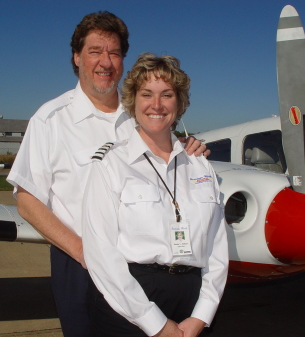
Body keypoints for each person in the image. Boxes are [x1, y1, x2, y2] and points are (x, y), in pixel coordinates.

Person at [6, 11, 207, 337]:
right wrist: (88, 253)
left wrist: (190, 147)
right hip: (80, 264)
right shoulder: (51, 119)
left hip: (146, 266)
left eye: (114, 53)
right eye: (95, 51)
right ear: (76, 57)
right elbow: (28, 201)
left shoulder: (141, 114)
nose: (105, 62)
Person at [82, 53, 228, 337]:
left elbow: (217, 248)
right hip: (129, 304)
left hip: (192, 305)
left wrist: (202, 314)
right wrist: (154, 323)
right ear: (133, 100)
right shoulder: (111, 164)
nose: (157, 105)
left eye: (167, 95)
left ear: (180, 103)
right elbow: (101, 253)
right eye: (147, 94)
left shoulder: (200, 164)